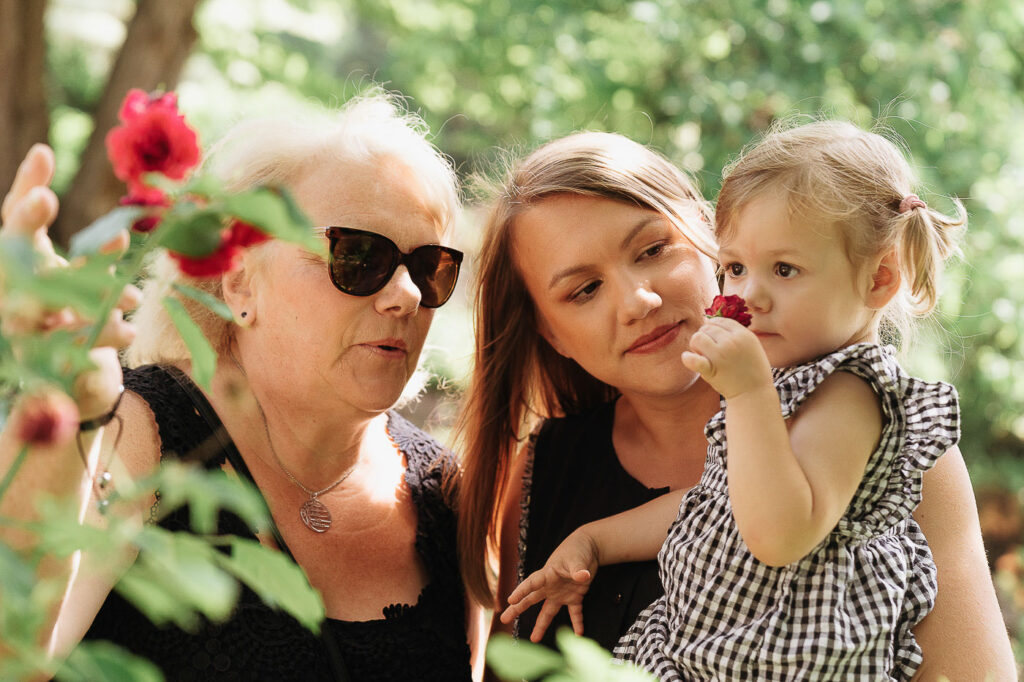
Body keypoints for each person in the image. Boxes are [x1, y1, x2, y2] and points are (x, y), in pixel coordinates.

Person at [456, 130, 1017, 680]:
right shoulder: (543, 471)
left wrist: (749, 390)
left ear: (708, 232)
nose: (638, 301)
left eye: (653, 250)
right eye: (584, 290)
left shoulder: (880, 443)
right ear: (551, 333)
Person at [0, 94, 479, 681]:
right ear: (238, 284)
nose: (406, 294)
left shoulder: (444, 493)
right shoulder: (137, 433)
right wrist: (61, 408)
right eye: (359, 256)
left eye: (429, 266)